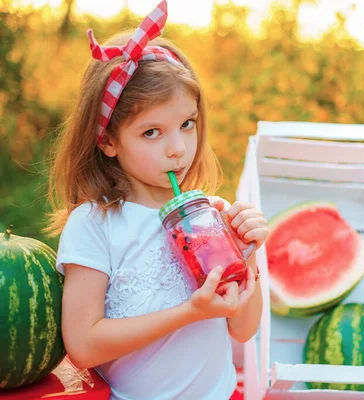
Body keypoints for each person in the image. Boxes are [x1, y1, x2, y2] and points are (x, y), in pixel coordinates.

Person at [43, 1, 267, 399]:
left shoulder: (206, 215)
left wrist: (245, 256)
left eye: (187, 124)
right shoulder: (95, 224)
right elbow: (82, 344)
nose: (177, 149)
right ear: (108, 140)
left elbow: (243, 329)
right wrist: (188, 313)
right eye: (151, 132)